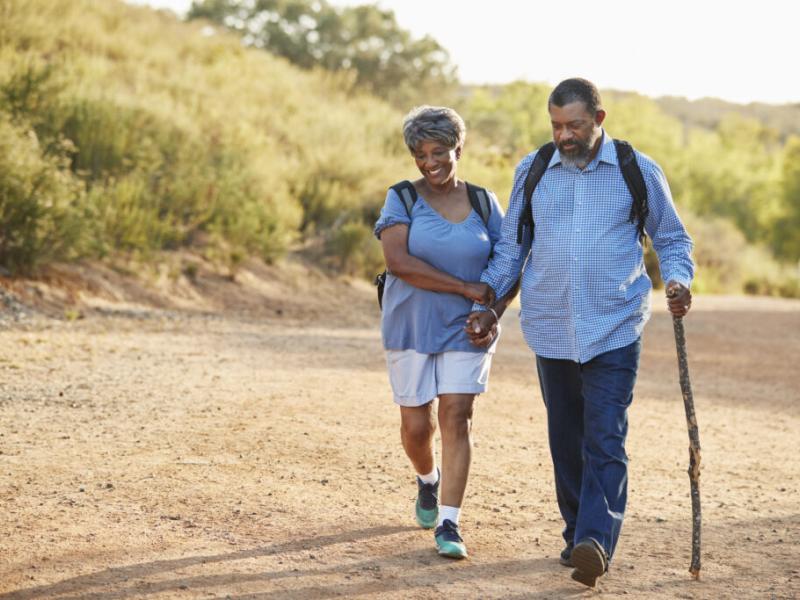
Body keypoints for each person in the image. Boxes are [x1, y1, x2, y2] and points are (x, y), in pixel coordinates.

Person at [466, 78, 694, 587]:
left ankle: (596, 540)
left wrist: (678, 279)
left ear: (599, 119)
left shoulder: (637, 170)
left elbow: (672, 238)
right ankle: (577, 534)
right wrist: (489, 302)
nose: (564, 136)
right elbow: (513, 248)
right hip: (550, 324)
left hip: (614, 324)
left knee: (605, 434)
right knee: (566, 438)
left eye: (574, 125)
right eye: (556, 125)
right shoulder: (535, 168)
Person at [374, 105, 517, 559]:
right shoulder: (401, 198)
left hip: (468, 327)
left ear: (459, 148)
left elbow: (510, 261)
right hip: (411, 323)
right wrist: (463, 286)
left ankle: (450, 522)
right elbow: (398, 262)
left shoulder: (482, 202)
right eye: (419, 154)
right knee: (417, 426)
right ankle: (427, 480)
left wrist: (491, 310)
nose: (429, 162)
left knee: (457, 417)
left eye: (439, 151)